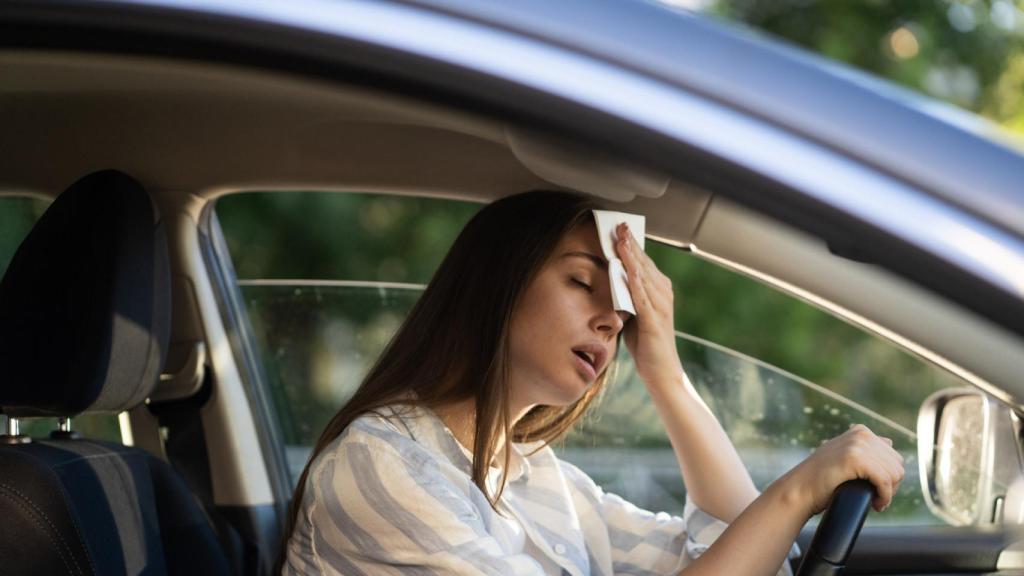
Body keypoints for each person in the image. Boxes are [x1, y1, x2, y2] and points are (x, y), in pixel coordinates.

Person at [279, 191, 905, 575]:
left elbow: (740, 555)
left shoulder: (533, 476)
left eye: (624, 309)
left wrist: (665, 372)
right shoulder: (382, 466)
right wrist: (796, 492)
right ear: (498, 285)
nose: (612, 318)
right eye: (582, 282)